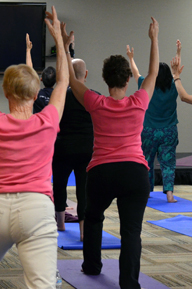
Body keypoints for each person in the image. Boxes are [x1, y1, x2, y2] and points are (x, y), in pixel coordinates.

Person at [0, 6, 69, 288]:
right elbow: (63, 81)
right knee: (41, 284)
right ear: (36, 94)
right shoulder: (47, 120)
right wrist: (58, 40)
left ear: (5, 92)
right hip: (37, 208)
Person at [62, 18, 159, 288]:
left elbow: (70, 78)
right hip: (135, 173)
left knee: (92, 219)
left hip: (102, 172)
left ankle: (92, 266)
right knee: (131, 232)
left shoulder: (95, 102)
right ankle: (129, 283)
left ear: (104, 79)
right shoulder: (139, 101)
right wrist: (153, 39)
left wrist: (66, 47)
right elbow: (151, 74)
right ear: (129, 79)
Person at [26, 29, 95, 240]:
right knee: (83, 189)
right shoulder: (94, 97)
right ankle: (84, 231)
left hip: (62, 147)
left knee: (60, 185)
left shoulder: (60, 97)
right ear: (86, 75)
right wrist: (67, 47)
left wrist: (65, 48)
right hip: (86, 149)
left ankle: (61, 223)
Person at [127, 40, 181, 203]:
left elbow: (135, 73)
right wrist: (178, 53)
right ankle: (170, 195)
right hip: (169, 131)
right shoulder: (174, 86)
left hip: (148, 131)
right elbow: (177, 72)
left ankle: (146, 192)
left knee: (146, 160)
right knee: (168, 163)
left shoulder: (146, 85)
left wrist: (131, 58)